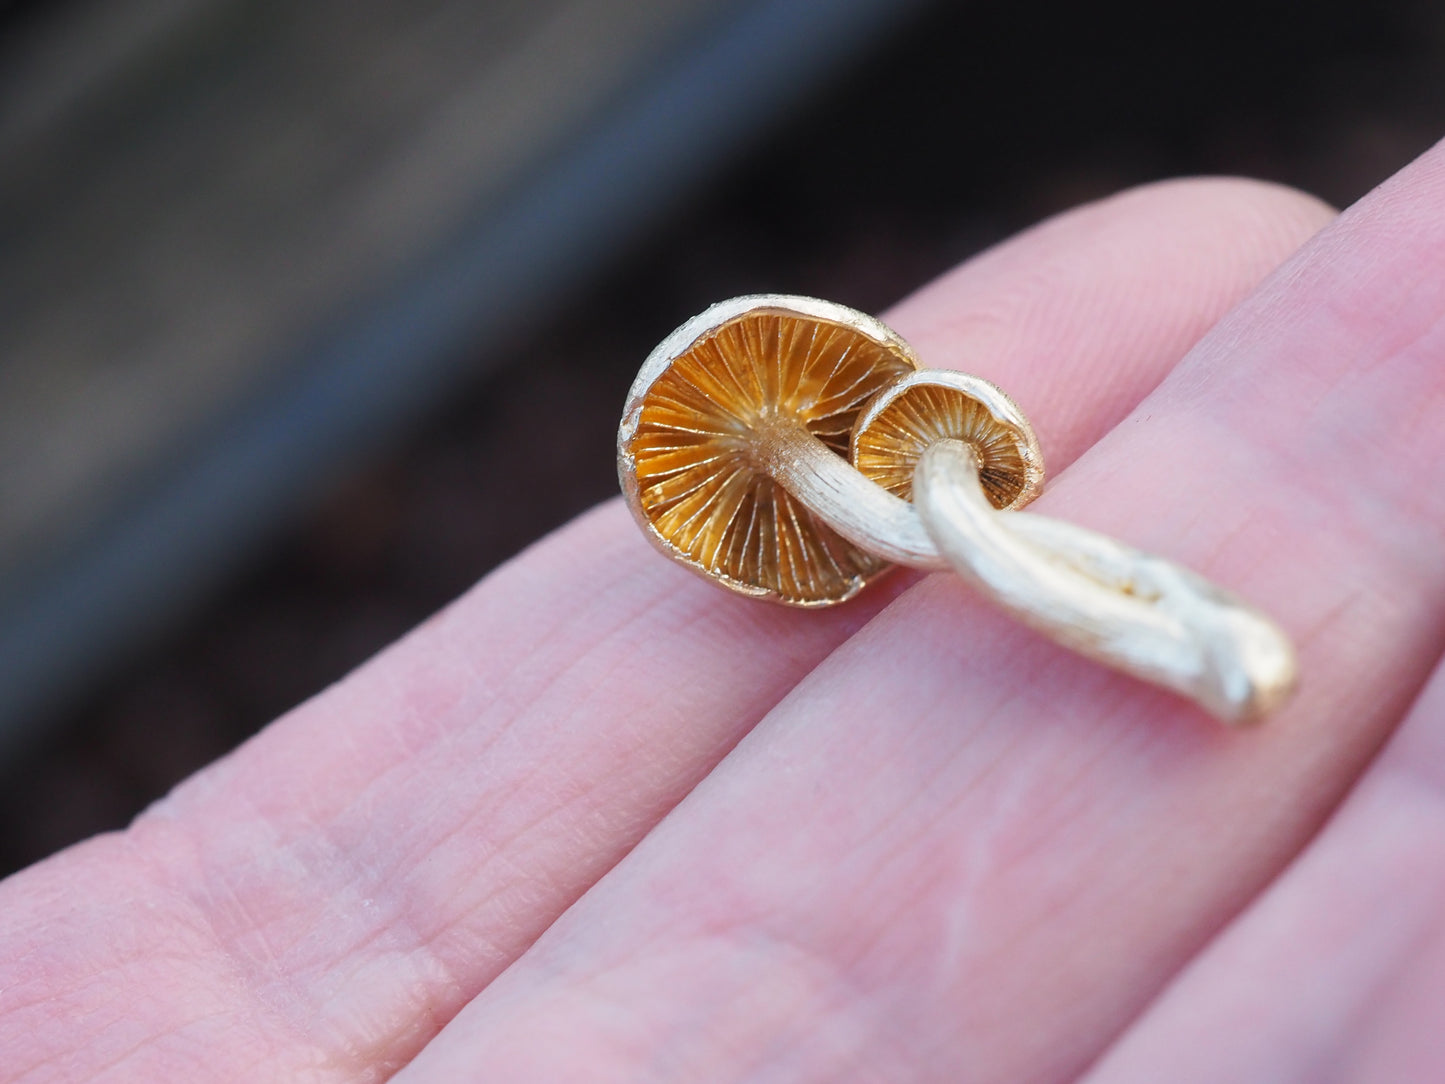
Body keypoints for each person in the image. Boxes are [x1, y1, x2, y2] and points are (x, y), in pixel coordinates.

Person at [3, 139, 1442, 1082]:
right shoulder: (761, 457)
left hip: (911, 476)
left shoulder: (908, 468)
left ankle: (1201, 639)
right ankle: (1199, 644)